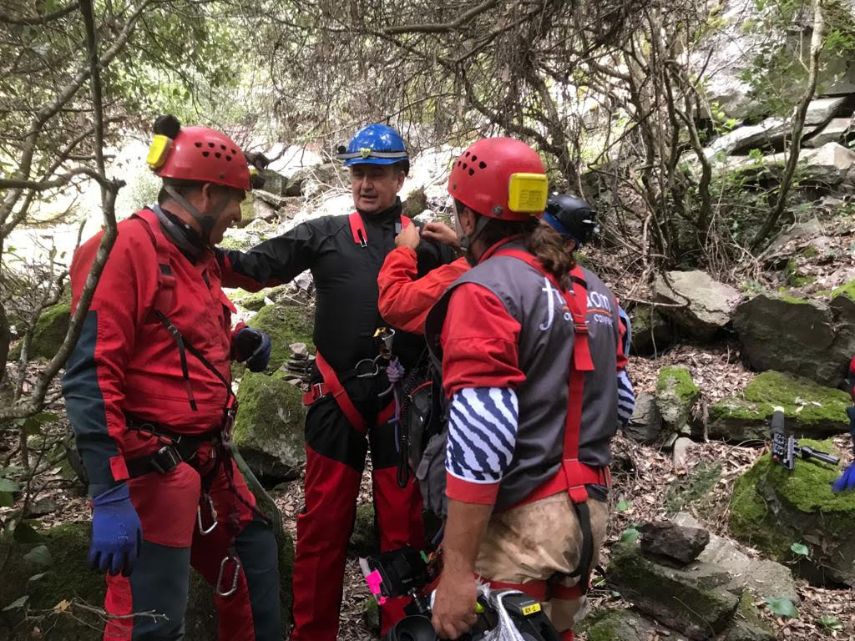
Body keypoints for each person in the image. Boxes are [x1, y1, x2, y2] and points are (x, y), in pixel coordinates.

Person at [214, 123, 456, 640]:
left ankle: (402, 627)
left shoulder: (428, 245)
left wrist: (460, 252)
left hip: (400, 404)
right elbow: (254, 267)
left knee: (403, 531)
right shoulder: (324, 234)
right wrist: (185, 247)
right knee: (324, 528)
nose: (366, 184)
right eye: (358, 173)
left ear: (401, 177)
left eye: (378, 174)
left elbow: (481, 286)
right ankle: (313, 633)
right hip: (336, 397)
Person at [61, 115, 282, 641]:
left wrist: (236, 340)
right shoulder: (123, 251)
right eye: (236, 202)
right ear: (207, 194)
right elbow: (92, 374)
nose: (238, 216)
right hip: (151, 469)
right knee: (152, 626)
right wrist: (109, 492)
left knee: (254, 558)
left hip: (206, 461)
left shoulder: (194, 253)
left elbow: (174, 334)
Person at [422, 137, 622, 640]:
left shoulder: (485, 291)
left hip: (520, 526)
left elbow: (482, 441)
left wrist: (458, 570)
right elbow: (622, 399)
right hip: (587, 519)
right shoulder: (594, 288)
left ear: (469, 219)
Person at [377, 194, 634, 426]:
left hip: (515, 462)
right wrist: (464, 244)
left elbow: (395, 304)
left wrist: (404, 251)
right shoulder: (595, 290)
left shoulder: (475, 281)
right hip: (587, 460)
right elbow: (623, 406)